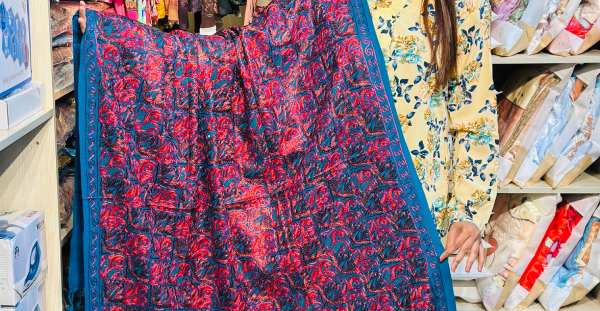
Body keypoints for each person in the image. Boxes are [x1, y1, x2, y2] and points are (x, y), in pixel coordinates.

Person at [77, 0, 498, 273]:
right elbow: (246, 58)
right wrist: (116, 40)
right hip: (339, 216)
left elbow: (474, 112)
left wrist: (468, 213)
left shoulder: (457, 5)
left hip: (419, 215)